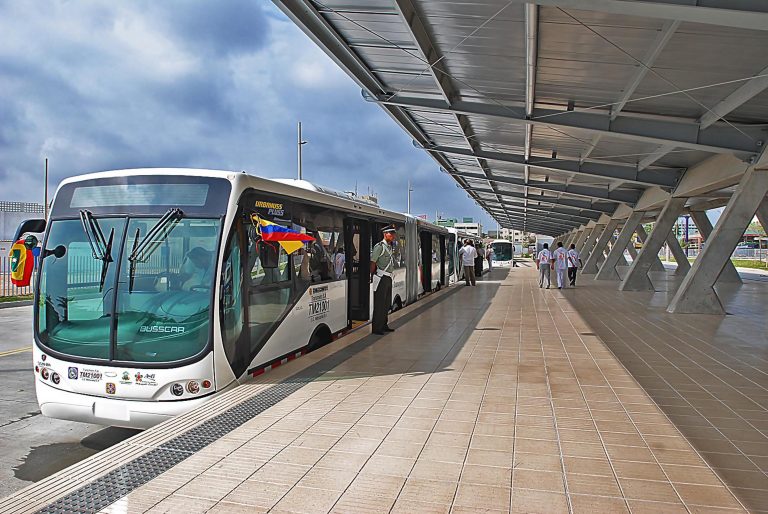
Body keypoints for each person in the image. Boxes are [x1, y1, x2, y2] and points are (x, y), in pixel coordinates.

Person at [370, 225, 397, 335]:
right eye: (391, 234)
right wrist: (371, 276)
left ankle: (383, 324)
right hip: (381, 278)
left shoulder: (390, 247)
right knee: (379, 304)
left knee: (386, 304)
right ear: (385, 234)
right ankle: (377, 328)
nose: (393, 236)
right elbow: (373, 262)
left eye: (393, 234)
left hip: (388, 277)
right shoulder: (379, 247)